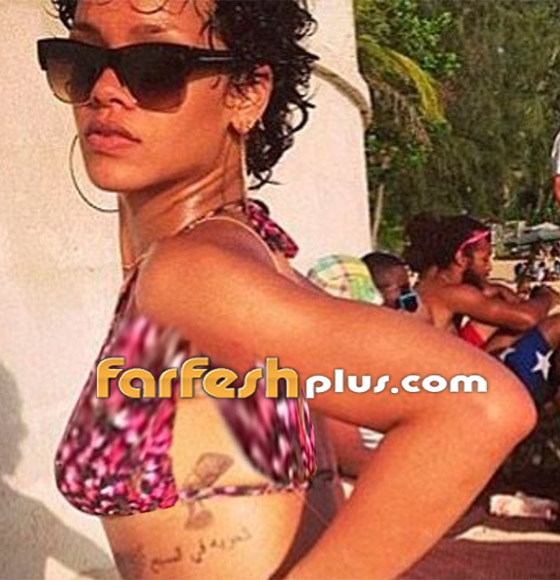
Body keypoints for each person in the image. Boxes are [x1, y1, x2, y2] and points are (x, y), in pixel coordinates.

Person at [38, 2, 537, 578]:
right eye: (81, 59)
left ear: (247, 93)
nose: (104, 90)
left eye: (155, 64)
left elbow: (476, 402)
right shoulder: (250, 253)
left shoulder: (190, 272)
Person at [405, 213, 560, 407]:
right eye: (485, 259)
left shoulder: (429, 287)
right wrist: (546, 297)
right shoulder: (453, 293)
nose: (489, 267)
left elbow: (489, 293)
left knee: (500, 318)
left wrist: (500, 290)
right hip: (452, 394)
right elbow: (526, 318)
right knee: (556, 325)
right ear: (461, 258)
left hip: (439, 382)